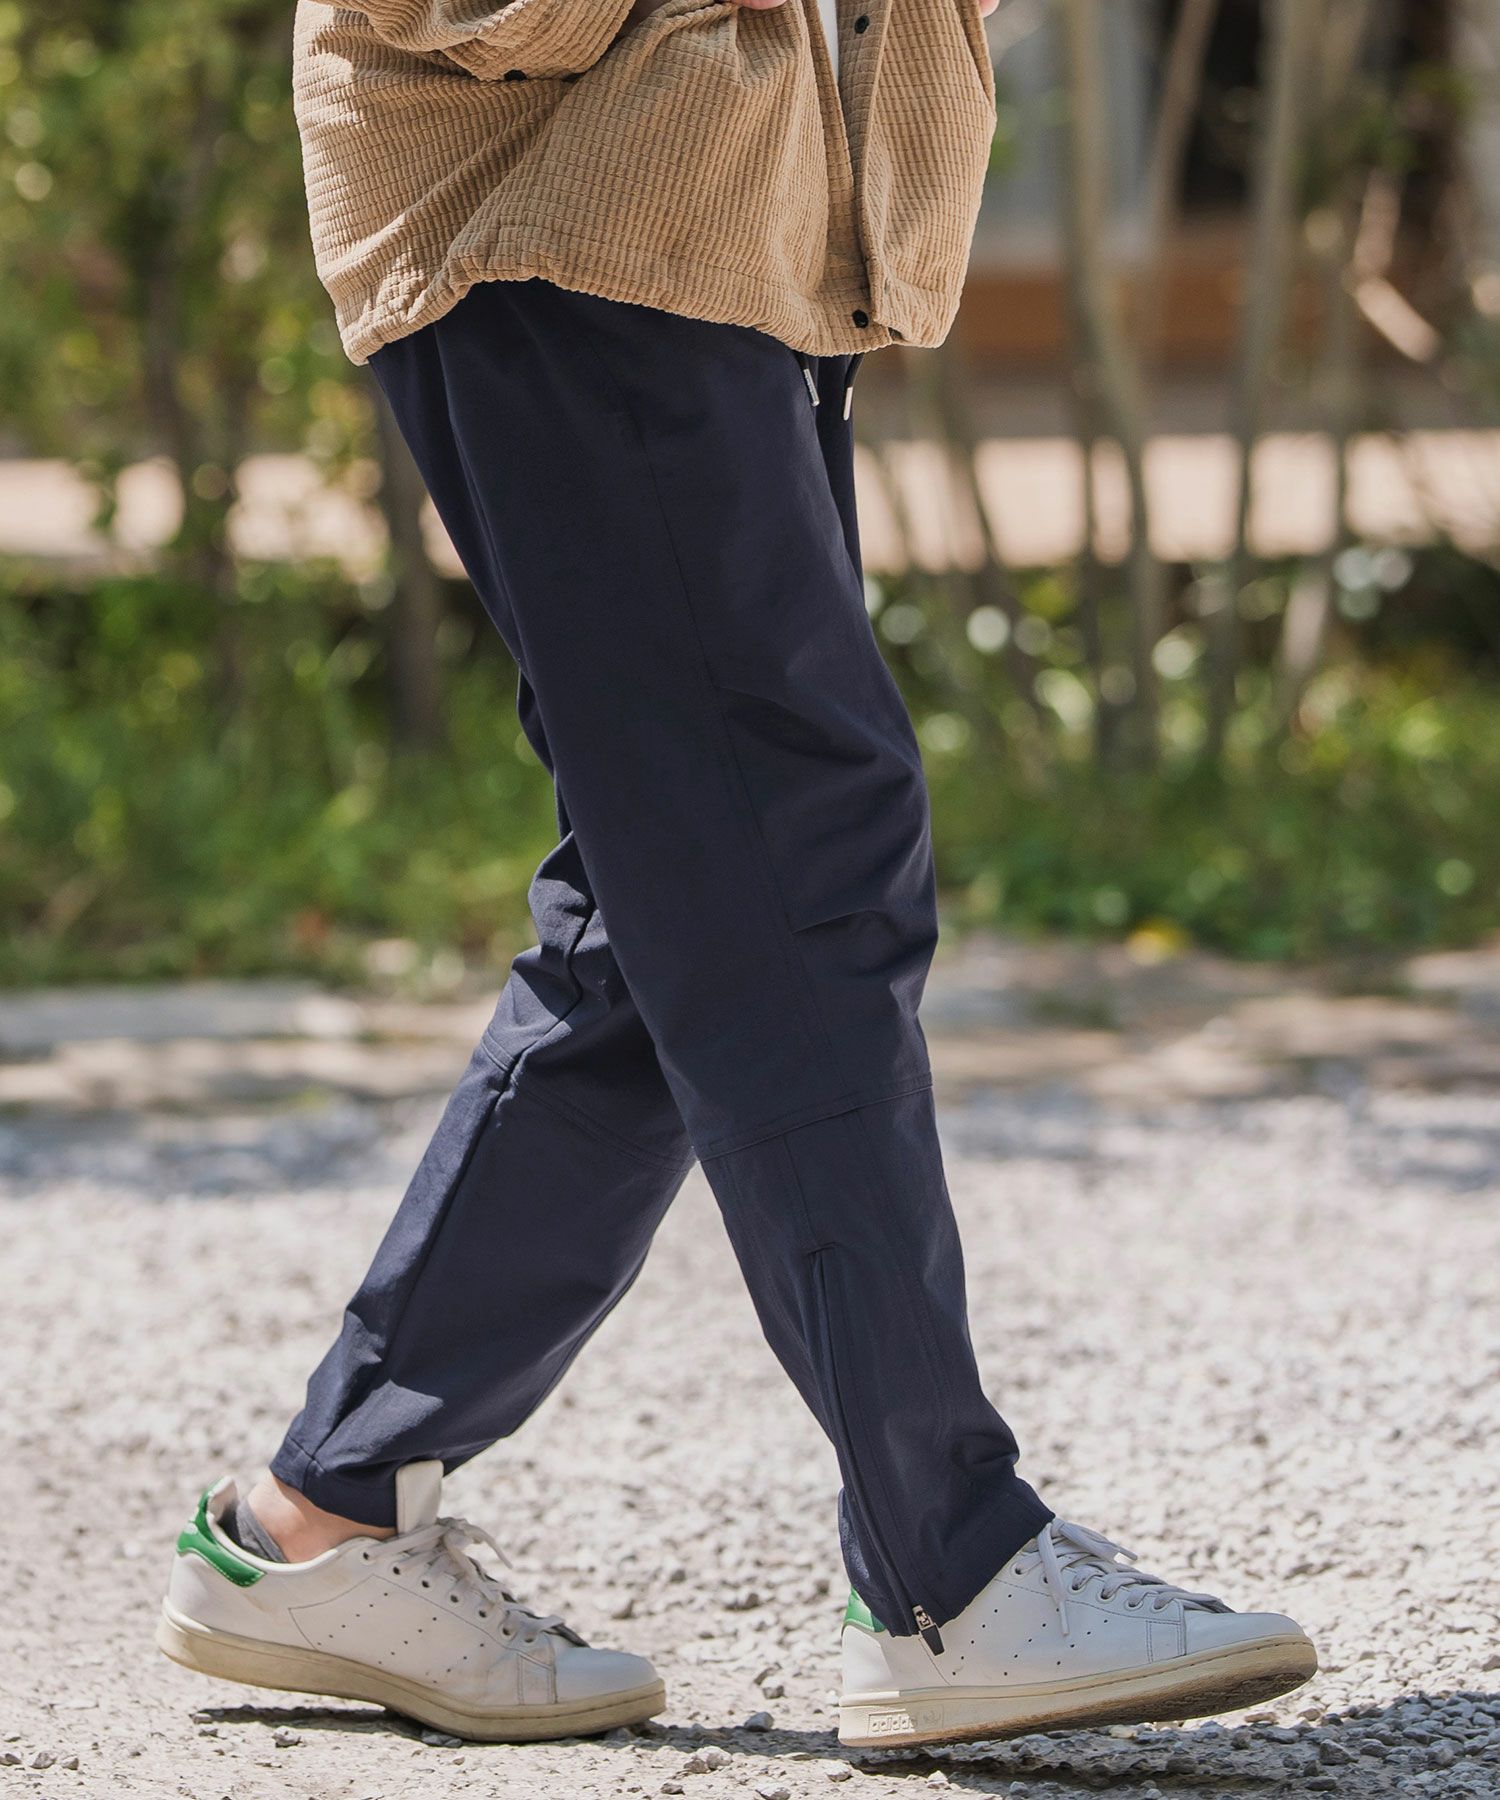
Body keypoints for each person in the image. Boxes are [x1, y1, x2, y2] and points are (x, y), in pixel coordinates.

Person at [157, 0, 1317, 1750]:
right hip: (561, 202)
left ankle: (322, 1520)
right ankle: (951, 1572)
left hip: (709, 215)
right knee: (792, 843)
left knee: (669, 906)